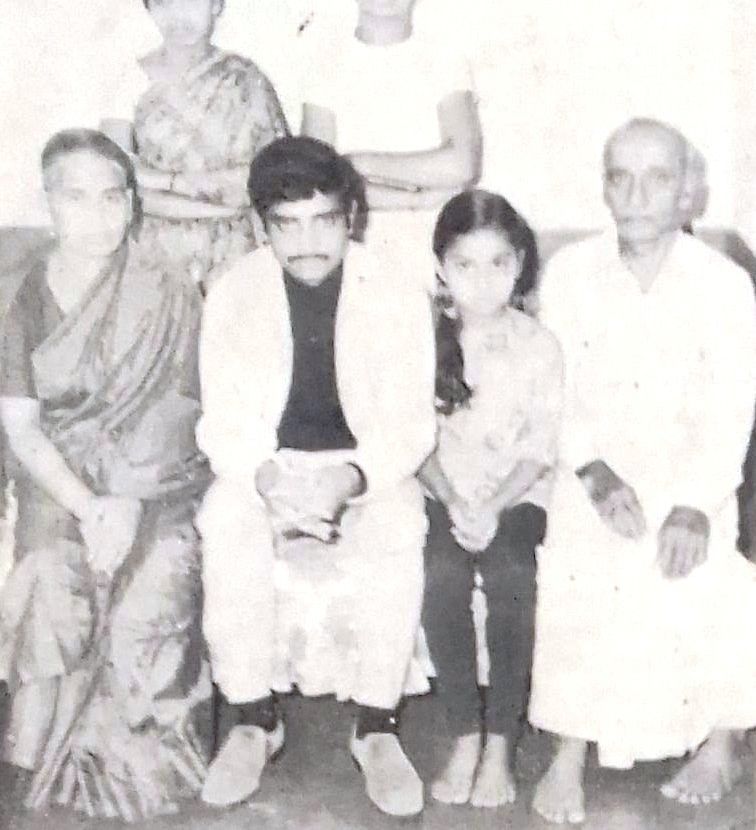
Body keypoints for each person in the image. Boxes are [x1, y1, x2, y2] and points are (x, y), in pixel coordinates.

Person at [196, 136, 436, 817]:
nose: (306, 243)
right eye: (286, 224)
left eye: (323, 220)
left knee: (400, 519)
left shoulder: (392, 289)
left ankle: (376, 728)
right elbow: (224, 422)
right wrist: (268, 478)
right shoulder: (236, 291)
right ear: (260, 224)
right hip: (268, 468)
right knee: (224, 515)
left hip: (361, 469)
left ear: (351, 216)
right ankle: (252, 719)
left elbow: (411, 426)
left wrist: (351, 481)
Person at [529, 118, 756, 824]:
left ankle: (720, 738)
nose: (637, 194)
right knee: (578, 553)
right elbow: (553, 391)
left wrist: (694, 502)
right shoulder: (569, 273)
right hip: (594, 471)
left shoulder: (723, 283)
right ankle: (569, 749)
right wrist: (593, 470)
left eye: (657, 178)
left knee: (707, 560)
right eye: (620, 177)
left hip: (694, 477)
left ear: (690, 192)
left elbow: (731, 407)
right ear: (603, 187)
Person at [0, 129, 213, 821]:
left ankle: (123, 775)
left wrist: (123, 499)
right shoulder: (21, 292)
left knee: (152, 584)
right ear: (49, 203)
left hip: (156, 478)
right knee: (43, 568)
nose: (96, 215)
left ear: (131, 204)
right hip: (58, 476)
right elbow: (22, 423)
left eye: (110, 197)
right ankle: (26, 758)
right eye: (75, 197)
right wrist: (87, 504)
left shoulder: (168, 285)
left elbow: (180, 404)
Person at [419, 190, 562, 808]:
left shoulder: (538, 345)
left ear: (521, 264)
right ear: (441, 270)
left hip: (517, 496)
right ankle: (464, 734)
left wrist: (494, 505)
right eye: (465, 266)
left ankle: (502, 740)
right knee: (441, 574)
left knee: (510, 572)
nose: (483, 283)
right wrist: (453, 501)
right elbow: (409, 439)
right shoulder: (420, 341)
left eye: (499, 264)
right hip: (440, 491)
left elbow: (538, 447)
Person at [301, 0, 482, 289]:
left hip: (435, 252)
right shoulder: (323, 65)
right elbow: (317, 184)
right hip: (353, 255)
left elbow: (462, 164)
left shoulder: (445, 60)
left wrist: (354, 162)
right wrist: (418, 196)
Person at [101, 0, 288, 287]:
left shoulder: (245, 80)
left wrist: (166, 182)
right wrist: (219, 207)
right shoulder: (129, 81)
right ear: (149, 7)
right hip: (154, 259)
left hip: (239, 255)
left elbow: (273, 177)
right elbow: (117, 187)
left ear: (216, 2)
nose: (178, 12)